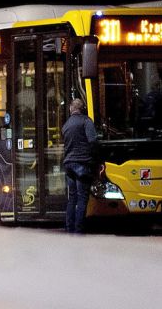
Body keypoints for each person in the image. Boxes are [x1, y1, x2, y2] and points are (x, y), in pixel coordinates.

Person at [62, 98, 98, 233]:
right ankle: (79, 230)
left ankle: (69, 228)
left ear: (71, 109)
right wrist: (95, 158)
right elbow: (93, 141)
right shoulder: (86, 121)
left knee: (72, 198)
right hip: (82, 163)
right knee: (82, 198)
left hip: (69, 164)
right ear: (82, 109)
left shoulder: (66, 125)